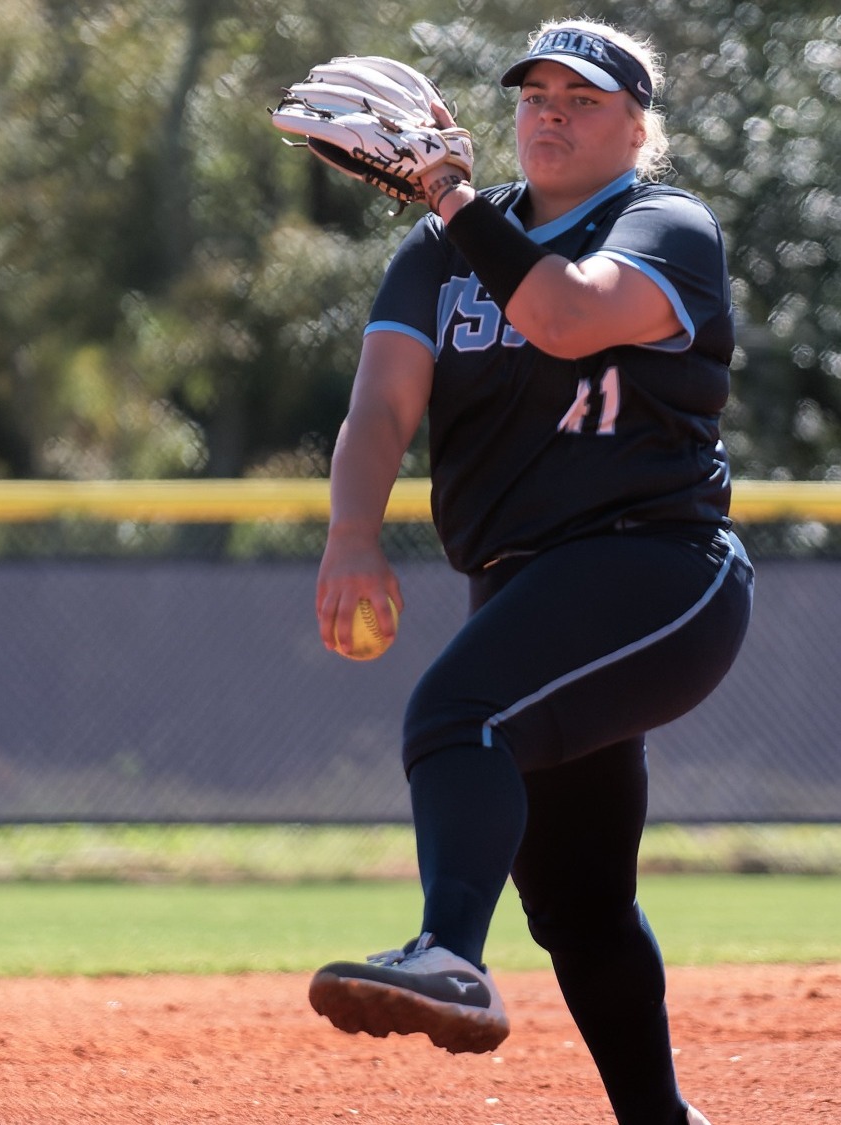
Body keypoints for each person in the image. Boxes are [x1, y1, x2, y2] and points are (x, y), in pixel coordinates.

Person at [305, 19, 751, 1125]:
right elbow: (379, 409)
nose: (550, 112)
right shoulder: (435, 250)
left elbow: (563, 317)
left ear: (638, 127)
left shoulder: (666, 225)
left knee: (457, 716)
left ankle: (447, 953)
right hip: (520, 583)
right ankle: (663, 1121)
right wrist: (352, 533)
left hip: (655, 569)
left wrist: (452, 204)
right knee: (578, 900)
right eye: (534, 94)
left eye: (584, 98)